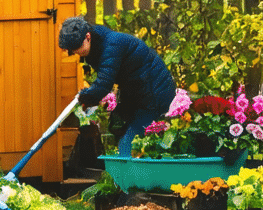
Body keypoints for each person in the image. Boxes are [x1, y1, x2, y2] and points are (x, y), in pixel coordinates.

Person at [58, 16, 176, 157]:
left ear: (88, 37)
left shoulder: (111, 45)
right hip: (137, 89)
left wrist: (87, 96)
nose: (76, 52)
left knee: (130, 140)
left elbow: (104, 83)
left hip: (155, 90)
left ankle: (128, 175)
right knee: (118, 125)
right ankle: (129, 171)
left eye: (77, 47)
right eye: (72, 49)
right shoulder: (98, 44)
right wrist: (91, 97)